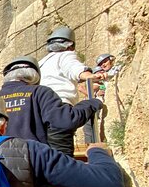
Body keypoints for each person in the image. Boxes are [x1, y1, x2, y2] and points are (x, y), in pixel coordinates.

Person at [0, 55, 101, 146]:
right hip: (33, 160)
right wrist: (91, 103)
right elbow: (65, 120)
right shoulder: (40, 92)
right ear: (34, 75)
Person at [38, 26, 104, 156]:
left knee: (44, 156)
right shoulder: (65, 55)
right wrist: (88, 75)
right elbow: (73, 68)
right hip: (58, 107)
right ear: (70, 45)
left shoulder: (41, 63)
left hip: (39, 110)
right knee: (61, 158)